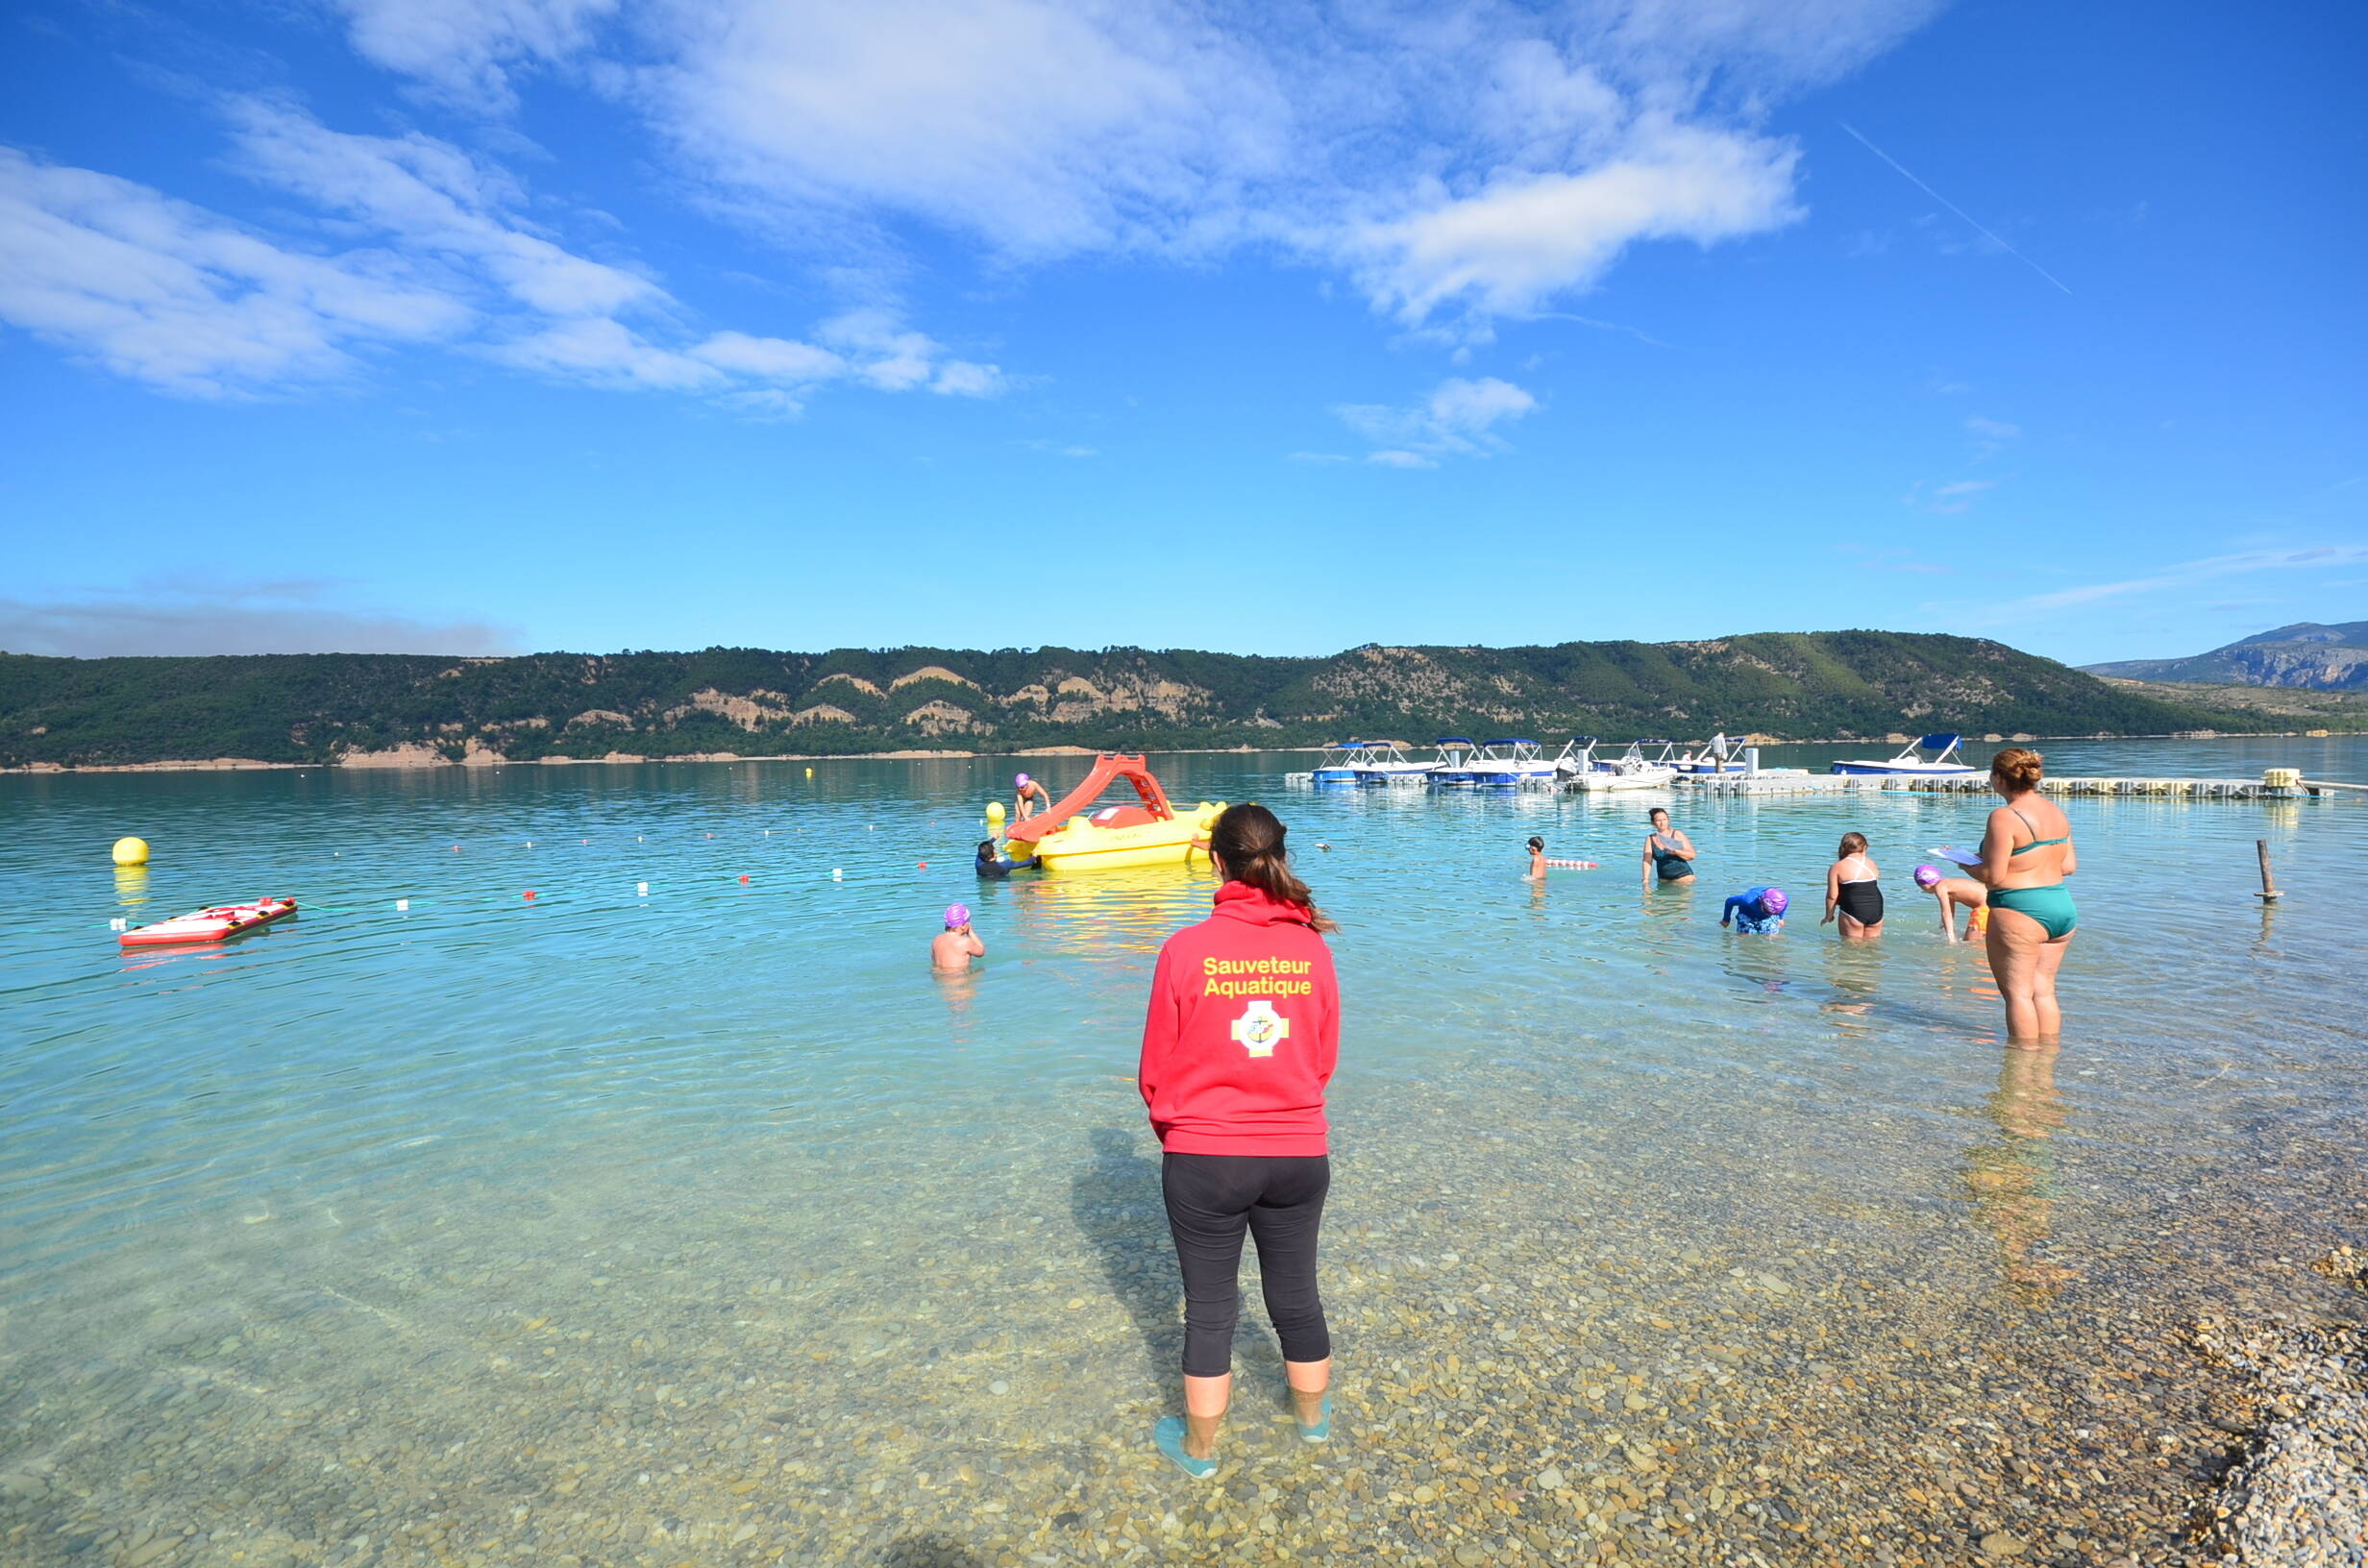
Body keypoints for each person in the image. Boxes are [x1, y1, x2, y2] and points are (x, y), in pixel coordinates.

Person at [1137, 803, 1340, 1479]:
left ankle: (1199, 1452)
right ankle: (1311, 1423)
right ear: (1279, 855)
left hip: (1205, 1156)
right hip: (1298, 1151)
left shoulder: (1185, 949)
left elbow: (1155, 1070)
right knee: (1297, 1297)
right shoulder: (1312, 947)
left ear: (1216, 861)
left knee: (1211, 1310)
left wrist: (1181, 1133)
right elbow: (1321, 1060)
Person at [1973, 747, 2077, 1043]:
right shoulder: (2055, 811)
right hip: (2061, 906)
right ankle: (2047, 1061)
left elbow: (1993, 876)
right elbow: (2068, 866)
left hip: (2020, 909)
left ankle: (2021, 1065)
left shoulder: (2003, 817)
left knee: (2018, 995)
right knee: (2044, 991)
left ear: (1999, 778)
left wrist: (1965, 865)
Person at [1821, 831, 1885, 939]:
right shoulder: (1871, 863)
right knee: (1872, 944)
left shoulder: (1837, 867)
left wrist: (1828, 916)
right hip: (1876, 908)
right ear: (1864, 847)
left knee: (1851, 945)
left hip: (1853, 909)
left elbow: (1832, 896)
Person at [1913, 864, 1988, 942]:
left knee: (1971, 943)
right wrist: (1942, 929)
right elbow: (1950, 911)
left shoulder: (1940, 887)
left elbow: (1946, 913)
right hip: (1992, 901)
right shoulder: (1947, 885)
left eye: (1920, 886)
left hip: (1985, 907)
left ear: (1924, 883)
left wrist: (1951, 938)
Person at [1641, 807, 1695, 886]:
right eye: (1658, 820)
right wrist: (1645, 879)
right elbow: (1647, 861)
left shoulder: (1677, 834)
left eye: (1664, 819)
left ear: (1668, 820)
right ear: (1653, 823)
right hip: (1663, 881)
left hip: (1683, 878)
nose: (1662, 823)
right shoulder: (1650, 838)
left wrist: (1676, 852)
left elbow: (1692, 856)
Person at [930, 904, 984, 970]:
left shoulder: (937, 939)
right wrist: (971, 932)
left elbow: (933, 958)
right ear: (963, 926)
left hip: (938, 975)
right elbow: (981, 952)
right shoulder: (965, 942)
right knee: (981, 971)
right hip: (958, 975)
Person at [1720, 885, 1788, 934]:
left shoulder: (1783, 900)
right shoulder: (1748, 900)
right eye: (1766, 912)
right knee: (1744, 936)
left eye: (1771, 914)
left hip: (1768, 913)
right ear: (1760, 901)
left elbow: (1784, 907)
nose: (1768, 915)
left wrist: (1780, 918)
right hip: (1747, 913)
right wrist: (1726, 920)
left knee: (1772, 935)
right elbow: (1729, 901)